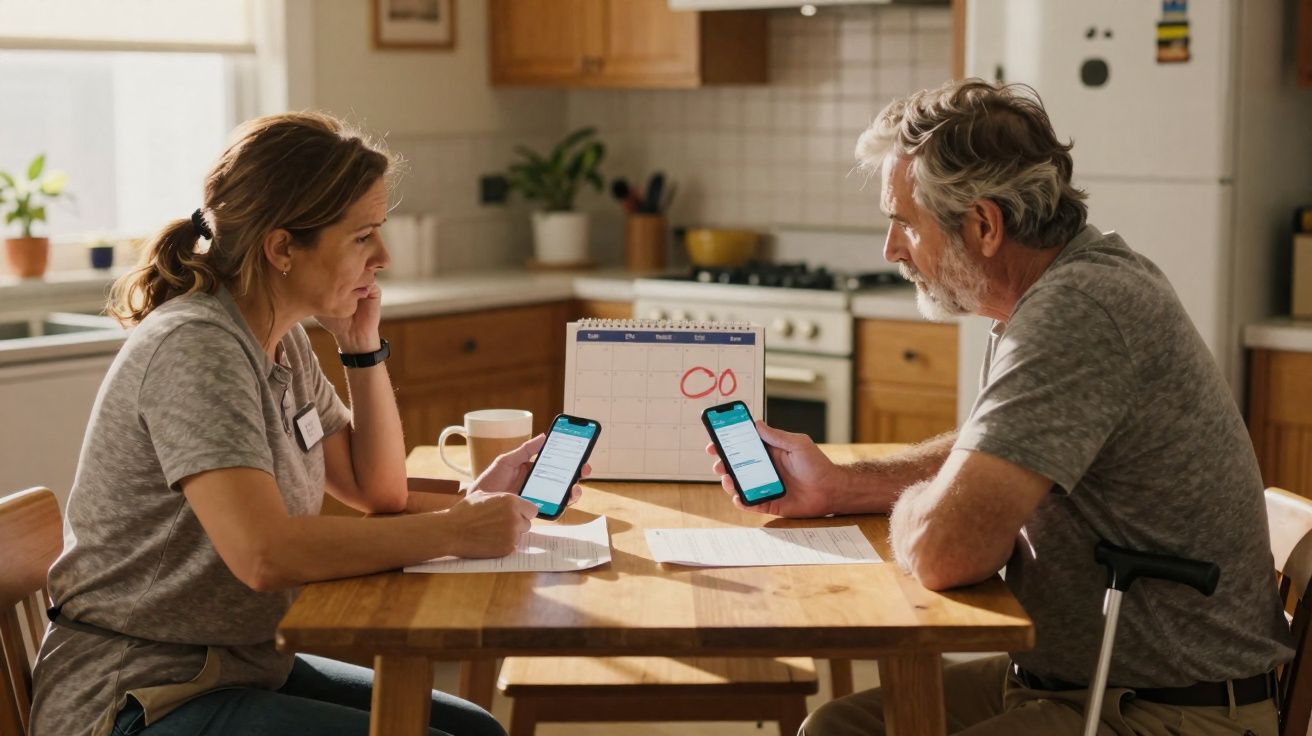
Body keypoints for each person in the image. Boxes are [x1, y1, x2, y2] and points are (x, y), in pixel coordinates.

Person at [708, 80, 1293, 735]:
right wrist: (844, 485)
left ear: (984, 225)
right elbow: (996, 446)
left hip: (1165, 709)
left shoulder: (1078, 312)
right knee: (835, 729)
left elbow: (943, 552)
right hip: (1073, 682)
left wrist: (928, 515)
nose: (891, 250)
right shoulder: (1064, 289)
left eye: (904, 221)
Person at [29, 112, 581, 736]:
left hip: (238, 666)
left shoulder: (278, 342)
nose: (385, 256)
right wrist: (457, 529)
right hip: (138, 695)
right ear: (283, 247)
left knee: (476, 729)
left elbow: (377, 492)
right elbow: (264, 553)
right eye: (363, 236)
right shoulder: (197, 349)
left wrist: (362, 348)